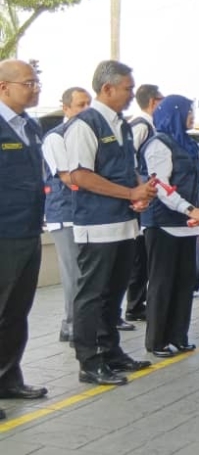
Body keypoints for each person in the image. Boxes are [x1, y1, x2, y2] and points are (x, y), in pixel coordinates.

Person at [65, 60, 157, 386]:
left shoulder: (123, 125)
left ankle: (111, 351)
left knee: (114, 293)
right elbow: (80, 175)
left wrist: (139, 192)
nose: (132, 95)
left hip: (125, 223)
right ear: (107, 88)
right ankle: (89, 361)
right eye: (128, 89)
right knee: (92, 295)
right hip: (98, 225)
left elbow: (126, 170)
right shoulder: (85, 125)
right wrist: (129, 191)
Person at [138, 96, 199, 357]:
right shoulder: (158, 145)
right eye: (187, 111)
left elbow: (198, 186)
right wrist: (191, 210)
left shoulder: (190, 145)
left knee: (185, 282)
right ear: (173, 114)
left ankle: (178, 336)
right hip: (163, 225)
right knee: (162, 283)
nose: (192, 116)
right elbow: (160, 187)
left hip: (189, 225)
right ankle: (157, 340)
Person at [0, 59, 50, 415]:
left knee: (17, 311)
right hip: (3, 232)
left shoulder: (30, 126)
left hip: (29, 230)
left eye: (36, 83)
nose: (35, 89)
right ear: (4, 87)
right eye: (27, 83)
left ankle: (8, 378)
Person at [43, 87, 91, 343]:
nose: (85, 110)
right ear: (66, 108)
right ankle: (73, 325)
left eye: (88, 104)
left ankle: (76, 323)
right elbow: (68, 177)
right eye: (80, 104)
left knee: (85, 273)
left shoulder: (85, 135)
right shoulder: (55, 138)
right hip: (65, 214)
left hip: (87, 213)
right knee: (74, 272)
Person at [123, 84, 164, 327]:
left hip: (145, 196)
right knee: (139, 256)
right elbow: (130, 160)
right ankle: (135, 305)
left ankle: (138, 303)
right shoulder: (141, 125)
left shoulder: (147, 125)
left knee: (142, 255)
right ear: (152, 102)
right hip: (139, 198)